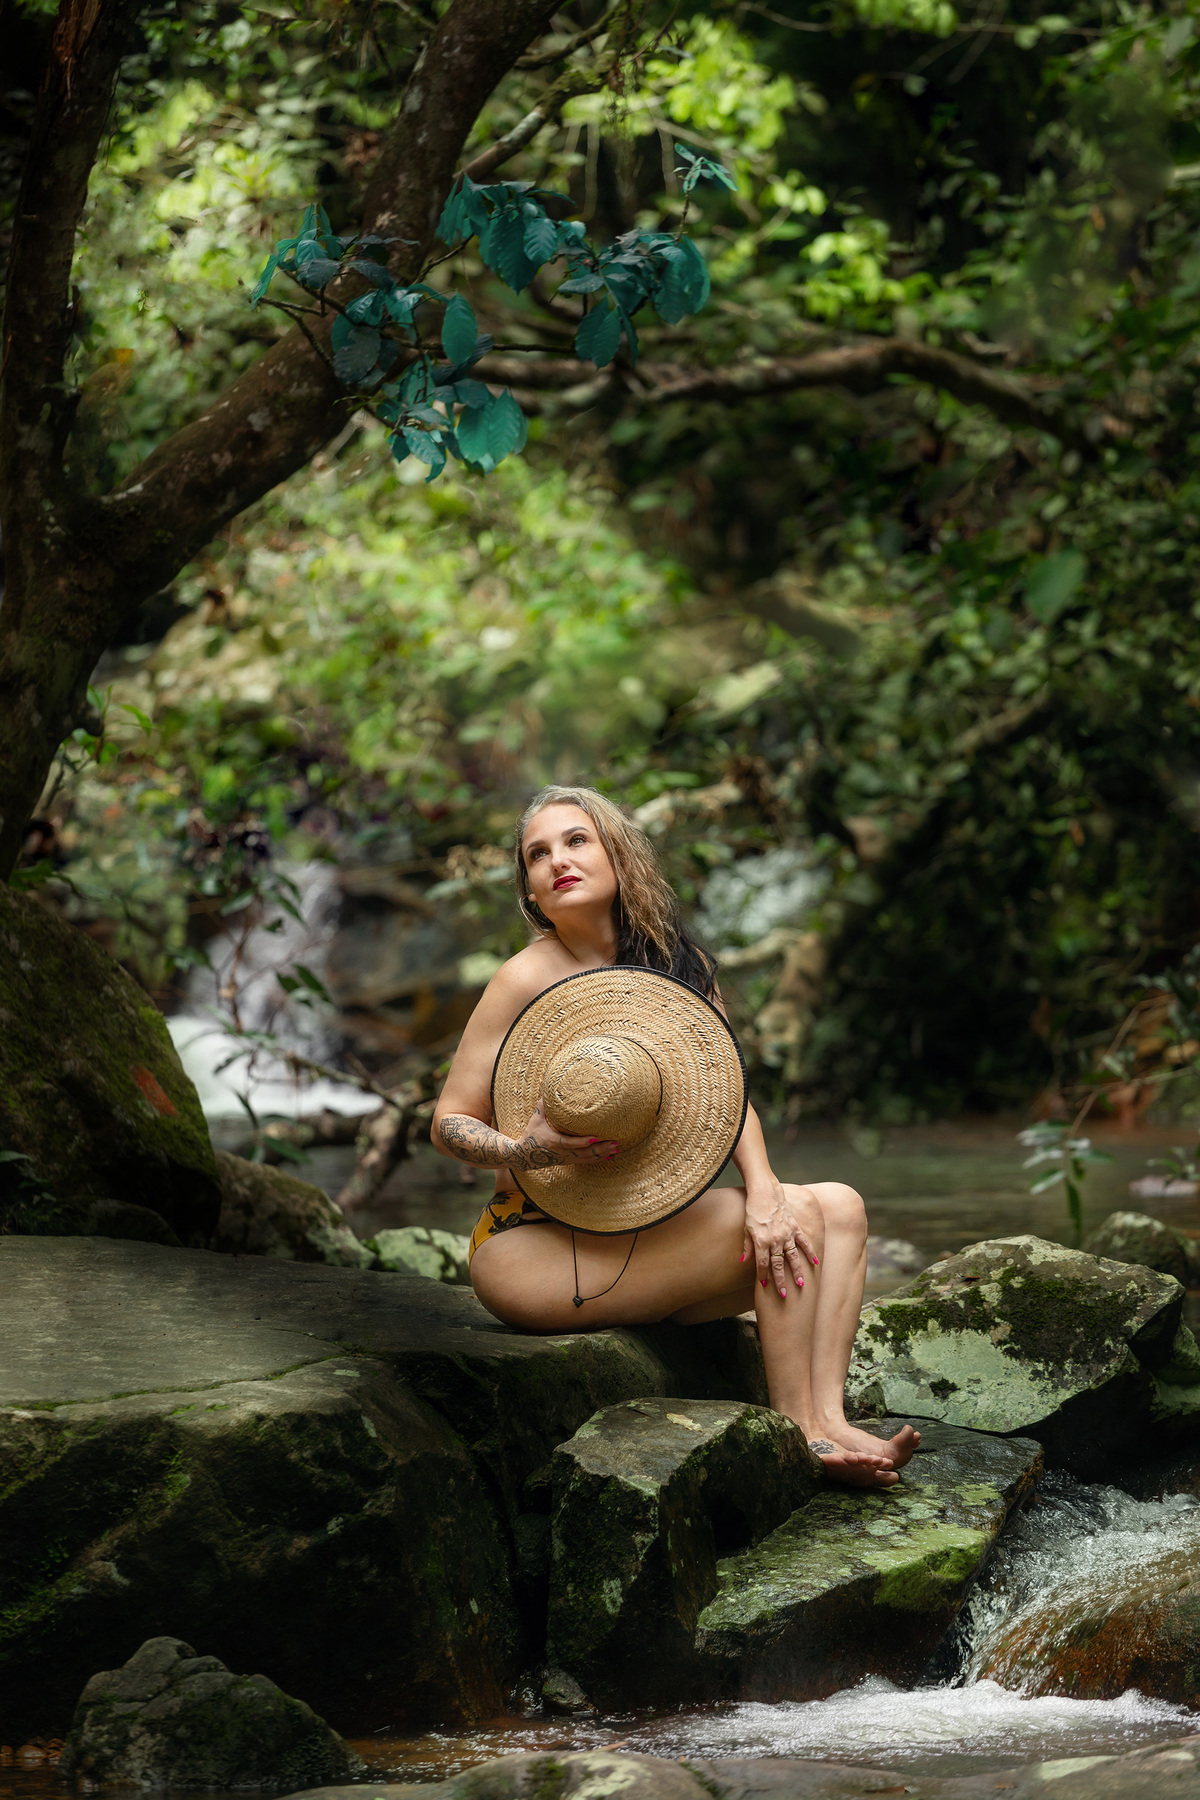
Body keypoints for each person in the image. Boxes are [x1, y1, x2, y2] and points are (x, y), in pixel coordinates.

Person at [431, 784, 918, 1488]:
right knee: (791, 1217)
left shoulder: (675, 961)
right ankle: (802, 1436)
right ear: (531, 892)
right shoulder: (521, 978)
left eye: (575, 840)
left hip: (633, 1235)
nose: (556, 861)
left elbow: (729, 1097)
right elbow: (448, 1123)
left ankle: (832, 1417)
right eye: (537, 854)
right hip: (528, 1247)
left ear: (618, 857)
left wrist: (764, 1189)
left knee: (838, 1204)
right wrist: (524, 1149)